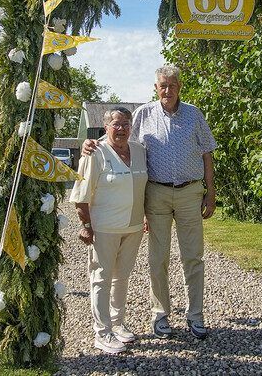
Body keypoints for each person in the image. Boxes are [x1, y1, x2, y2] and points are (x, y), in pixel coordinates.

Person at [83, 65, 216, 340]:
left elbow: (207, 154)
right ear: (156, 88)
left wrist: (210, 192)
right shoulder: (144, 114)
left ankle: (196, 315)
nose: (167, 90)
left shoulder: (194, 114)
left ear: (180, 86)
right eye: (162, 85)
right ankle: (161, 315)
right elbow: (118, 141)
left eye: (172, 85)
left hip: (191, 192)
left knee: (193, 257)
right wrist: (91, 143)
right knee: (158, 257)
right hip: (155, 194)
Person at [70, 107, 148, 354]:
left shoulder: (139, 151)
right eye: (116, 124)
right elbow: (81, 195)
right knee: (101, 279)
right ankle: (102, 333)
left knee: (122, 277)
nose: (122, 128)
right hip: (104, 228)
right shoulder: (95, 152)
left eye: (126, 124)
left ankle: (117, 323)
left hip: (133, 227)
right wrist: (85, 226)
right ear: (106, 127)